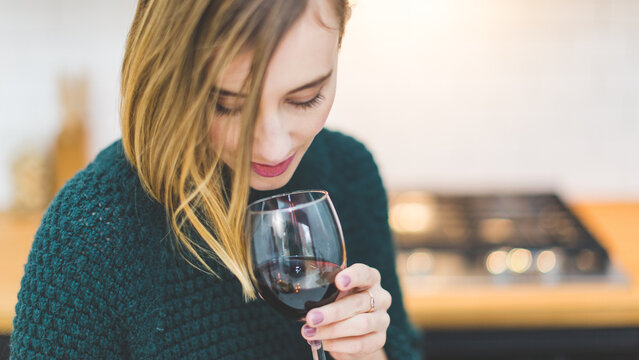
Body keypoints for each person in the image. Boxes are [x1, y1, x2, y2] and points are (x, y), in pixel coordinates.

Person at [11, 0, 421, 359]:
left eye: (304, 98)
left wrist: (364, 352)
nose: (272, 148)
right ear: (170, 73)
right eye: (228, 105)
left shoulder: (349, 172)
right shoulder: (89, 232)